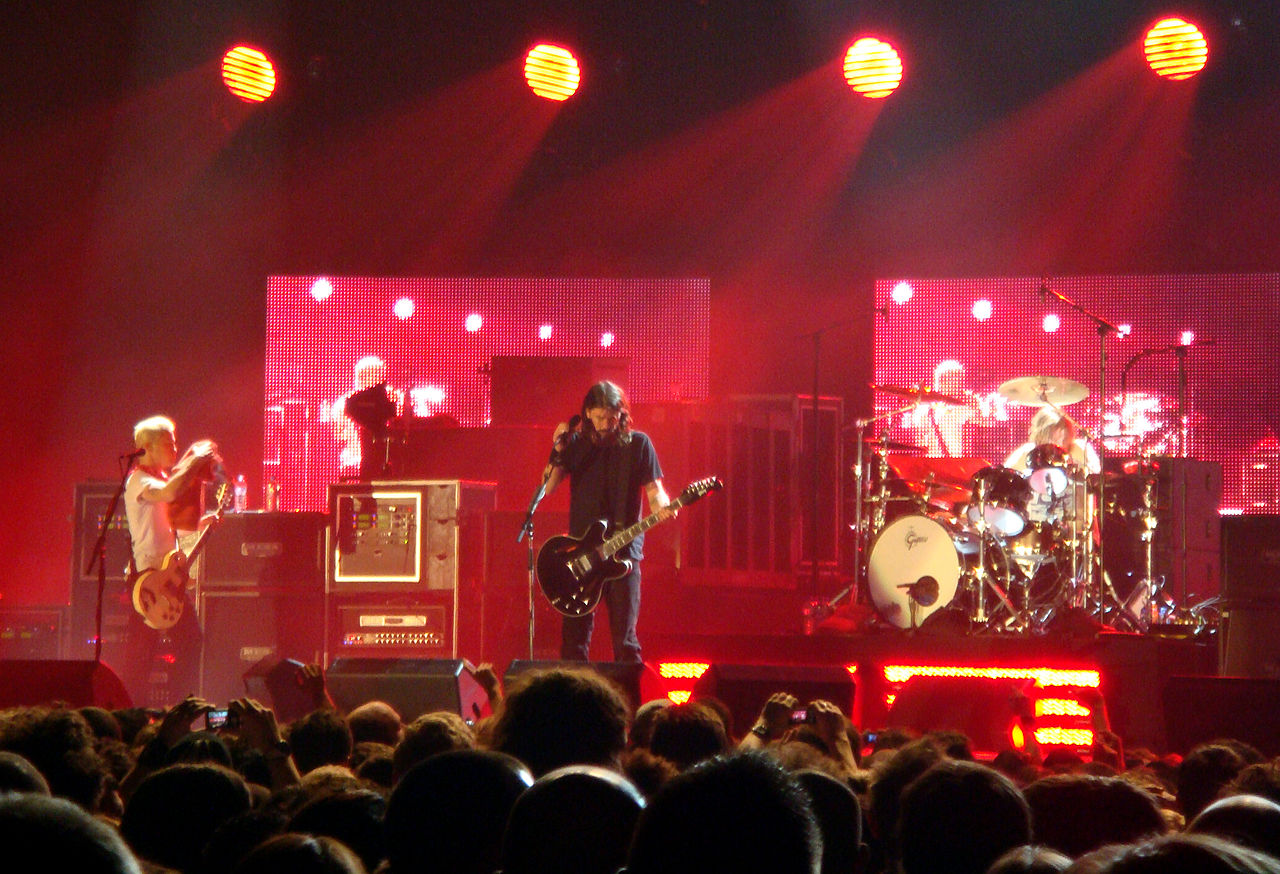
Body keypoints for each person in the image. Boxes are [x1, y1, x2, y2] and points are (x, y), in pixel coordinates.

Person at [543, 381, 673, 663]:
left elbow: (655, 490)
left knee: (625, 643)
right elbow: (548, 487)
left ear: (621, 415)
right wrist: (558, 449)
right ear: (588, 413)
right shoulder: (576, 445)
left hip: (623, 554)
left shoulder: (638, 444)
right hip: (580, 555)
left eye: (611, 418)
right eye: (600, 417)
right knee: (574, 643)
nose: (605, 424)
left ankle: (628, 691)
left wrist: (662, 506)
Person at [122, 415, 221, 703]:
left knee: (190, 642)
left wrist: (201, 522)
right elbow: (170, 492)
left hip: (167, 578)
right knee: (141, 657)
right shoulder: (138, 481)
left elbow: (171, 524)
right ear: (147, 447)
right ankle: (131, 713)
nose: (175, 449)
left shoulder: (160, 479)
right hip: (147, 581)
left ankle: (178, 705)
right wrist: (193, 461)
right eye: (168, 443)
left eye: (176, 443)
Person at [907, 359, 1007, 458]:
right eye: (955, 378)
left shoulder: (960, 408)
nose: (960, 384)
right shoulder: (924, 408)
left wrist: (991, 409)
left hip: (954, 461)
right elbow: (917, 437)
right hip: (931, 462)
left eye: (960, 379)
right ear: (942, 380)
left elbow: (987, 422)